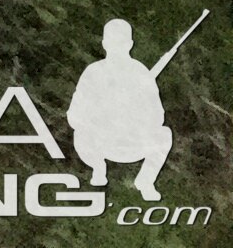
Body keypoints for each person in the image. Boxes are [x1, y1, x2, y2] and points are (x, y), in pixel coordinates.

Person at [67, 20, 174, 200]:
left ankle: (146, 181)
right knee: (80, 134)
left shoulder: (141, 73)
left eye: (120, 43)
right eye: (113, 43)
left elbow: (157, 117)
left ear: (130, 45)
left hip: (133, 143)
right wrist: (100, 119)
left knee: (164, 134)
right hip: (101, 144)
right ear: (104, 44)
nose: (117, 48)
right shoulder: (93, 72)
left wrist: (134, 116)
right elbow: (74, 115)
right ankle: (98, 168)